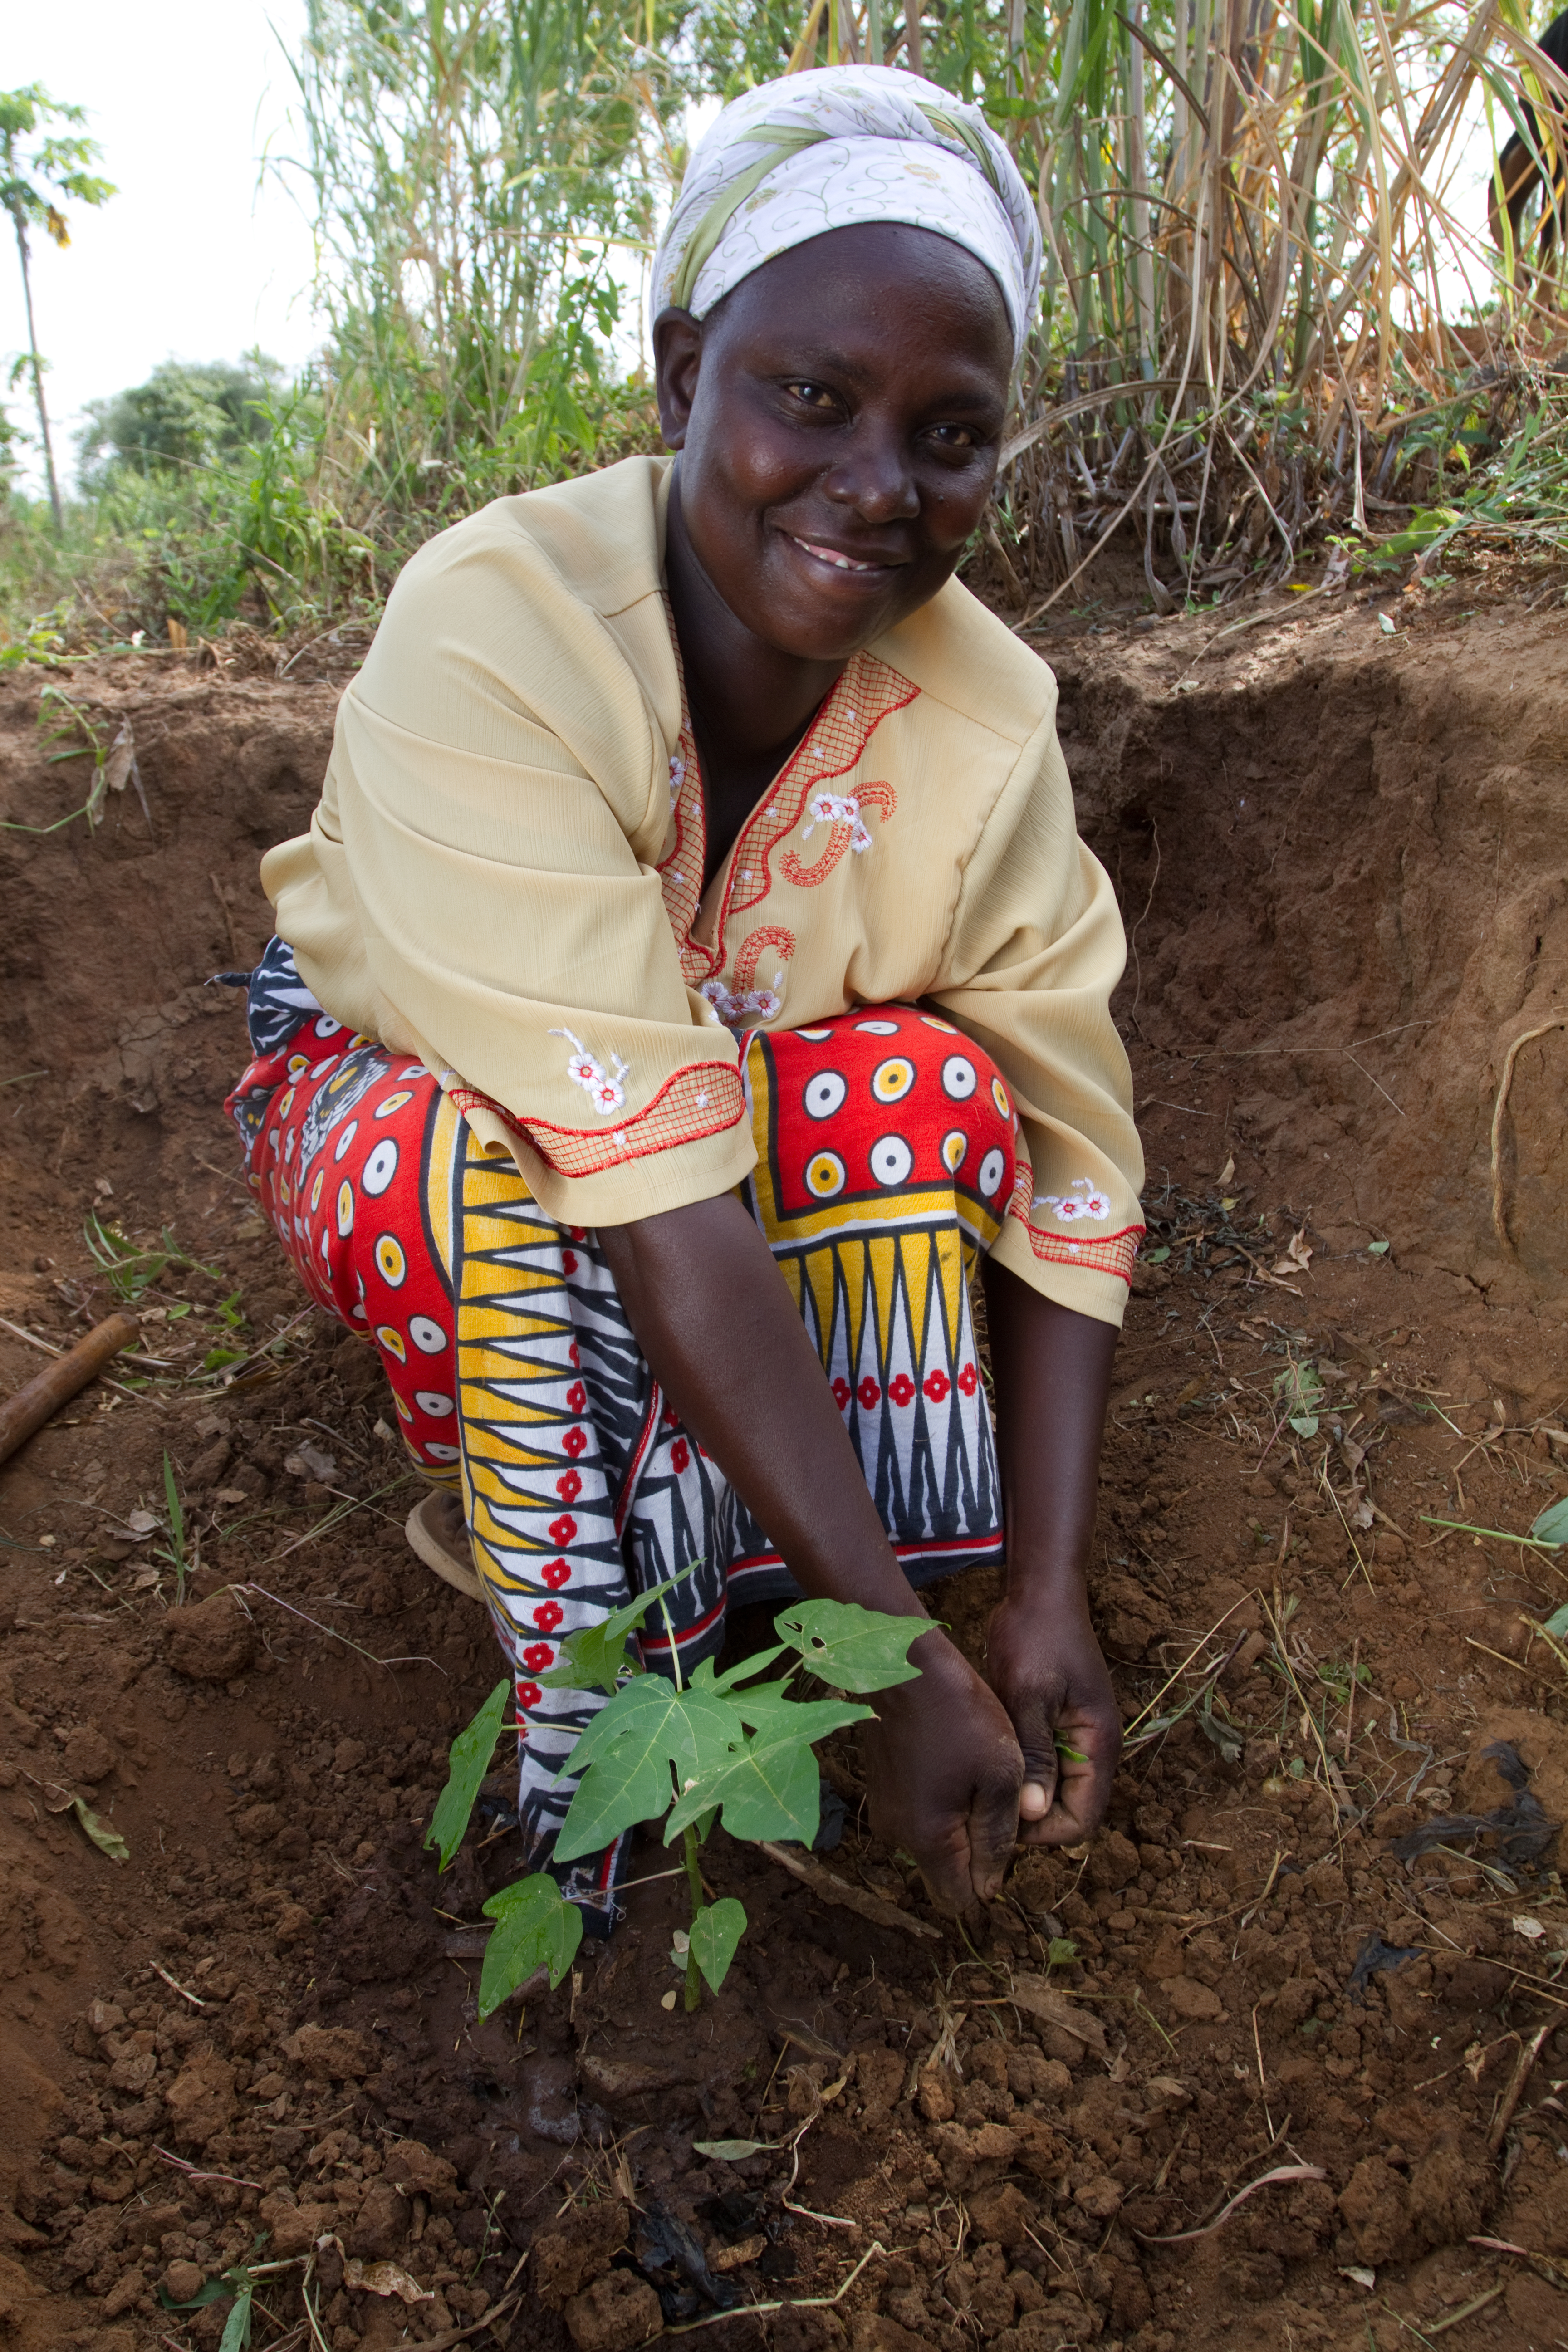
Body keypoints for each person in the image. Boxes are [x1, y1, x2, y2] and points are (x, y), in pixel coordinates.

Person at [226, 64, 1145, 1932]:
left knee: (932, 1100)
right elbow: (636, 1172)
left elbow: (1068, 1149)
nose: (876, 488)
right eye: (810, 399)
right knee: (467, 1179)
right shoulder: (499, 622)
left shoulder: (990, 717)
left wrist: (1045, 1590)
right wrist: (908, 1673)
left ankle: (781, 1588)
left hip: (712, 1125)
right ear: (680, 378)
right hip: (413, 1079)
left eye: (949, 435)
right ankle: (595, 1694)